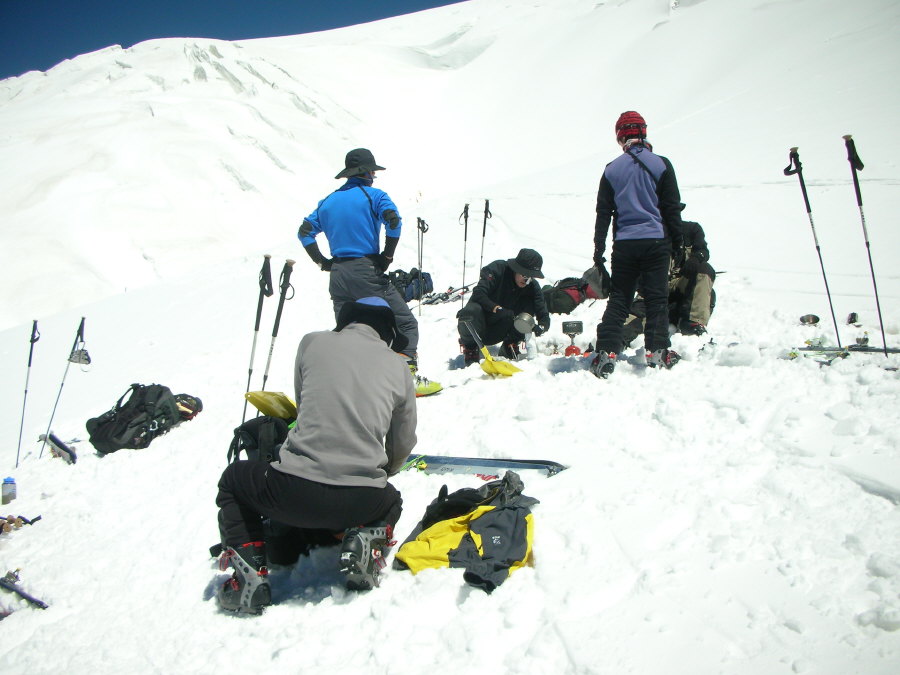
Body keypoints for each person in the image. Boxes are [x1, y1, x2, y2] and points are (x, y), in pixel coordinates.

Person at [214, 297, 417, 614]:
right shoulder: (398, 366)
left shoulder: (312, 343)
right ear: (388, 333)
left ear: (348, 319)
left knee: (233, 480)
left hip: (290, 493)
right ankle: (364, 536)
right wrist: (380, 471)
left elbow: (302, 405)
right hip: (359, 501)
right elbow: (402, 442)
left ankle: (248, 580)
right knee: (391, 499)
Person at [297, 148, 441, 396]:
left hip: (338, 274)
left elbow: (304, 232)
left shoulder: (328, 202)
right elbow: (393, 221)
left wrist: (323, 262)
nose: (374, 174)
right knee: (405, 323)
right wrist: (387, 256)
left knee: (345, 332)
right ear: (366, 172)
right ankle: (405, 379)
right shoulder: (374, 196)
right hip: (366, 270)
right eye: (373, 170)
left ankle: (345, 386)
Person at [590, 111, 685, 379]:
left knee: (620, 298)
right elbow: (671, 208)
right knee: (656, 298)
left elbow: (603, 213)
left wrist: (598, 250)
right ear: (643, 132)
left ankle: (606, 351)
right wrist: (677, 243)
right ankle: (658, 351)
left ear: (621, 136)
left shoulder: (611, 169)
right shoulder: (661, 165)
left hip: (625, 244)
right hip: (656, 241)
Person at [622, 214, 716, 345]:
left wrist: (695, 259)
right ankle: (620, 341)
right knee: (631, 320)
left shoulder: (691, 229)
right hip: (652, 291)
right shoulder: (646, 236)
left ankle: (693, 324)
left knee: (705, 270)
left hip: (681, 284)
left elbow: (703, 251)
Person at [456, 248, 551, 365]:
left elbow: (543, 312)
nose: (527, 281)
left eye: (531, 278)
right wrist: (496, 308)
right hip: (479, 325)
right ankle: (470, 348)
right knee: (470, 311)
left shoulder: (532, 287)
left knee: (526, 314)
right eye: (525, 275)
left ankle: (510, 344)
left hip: (503, 328)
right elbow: (478, 293)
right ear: (516, 269)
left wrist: (541, 327)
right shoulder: (497, 269)